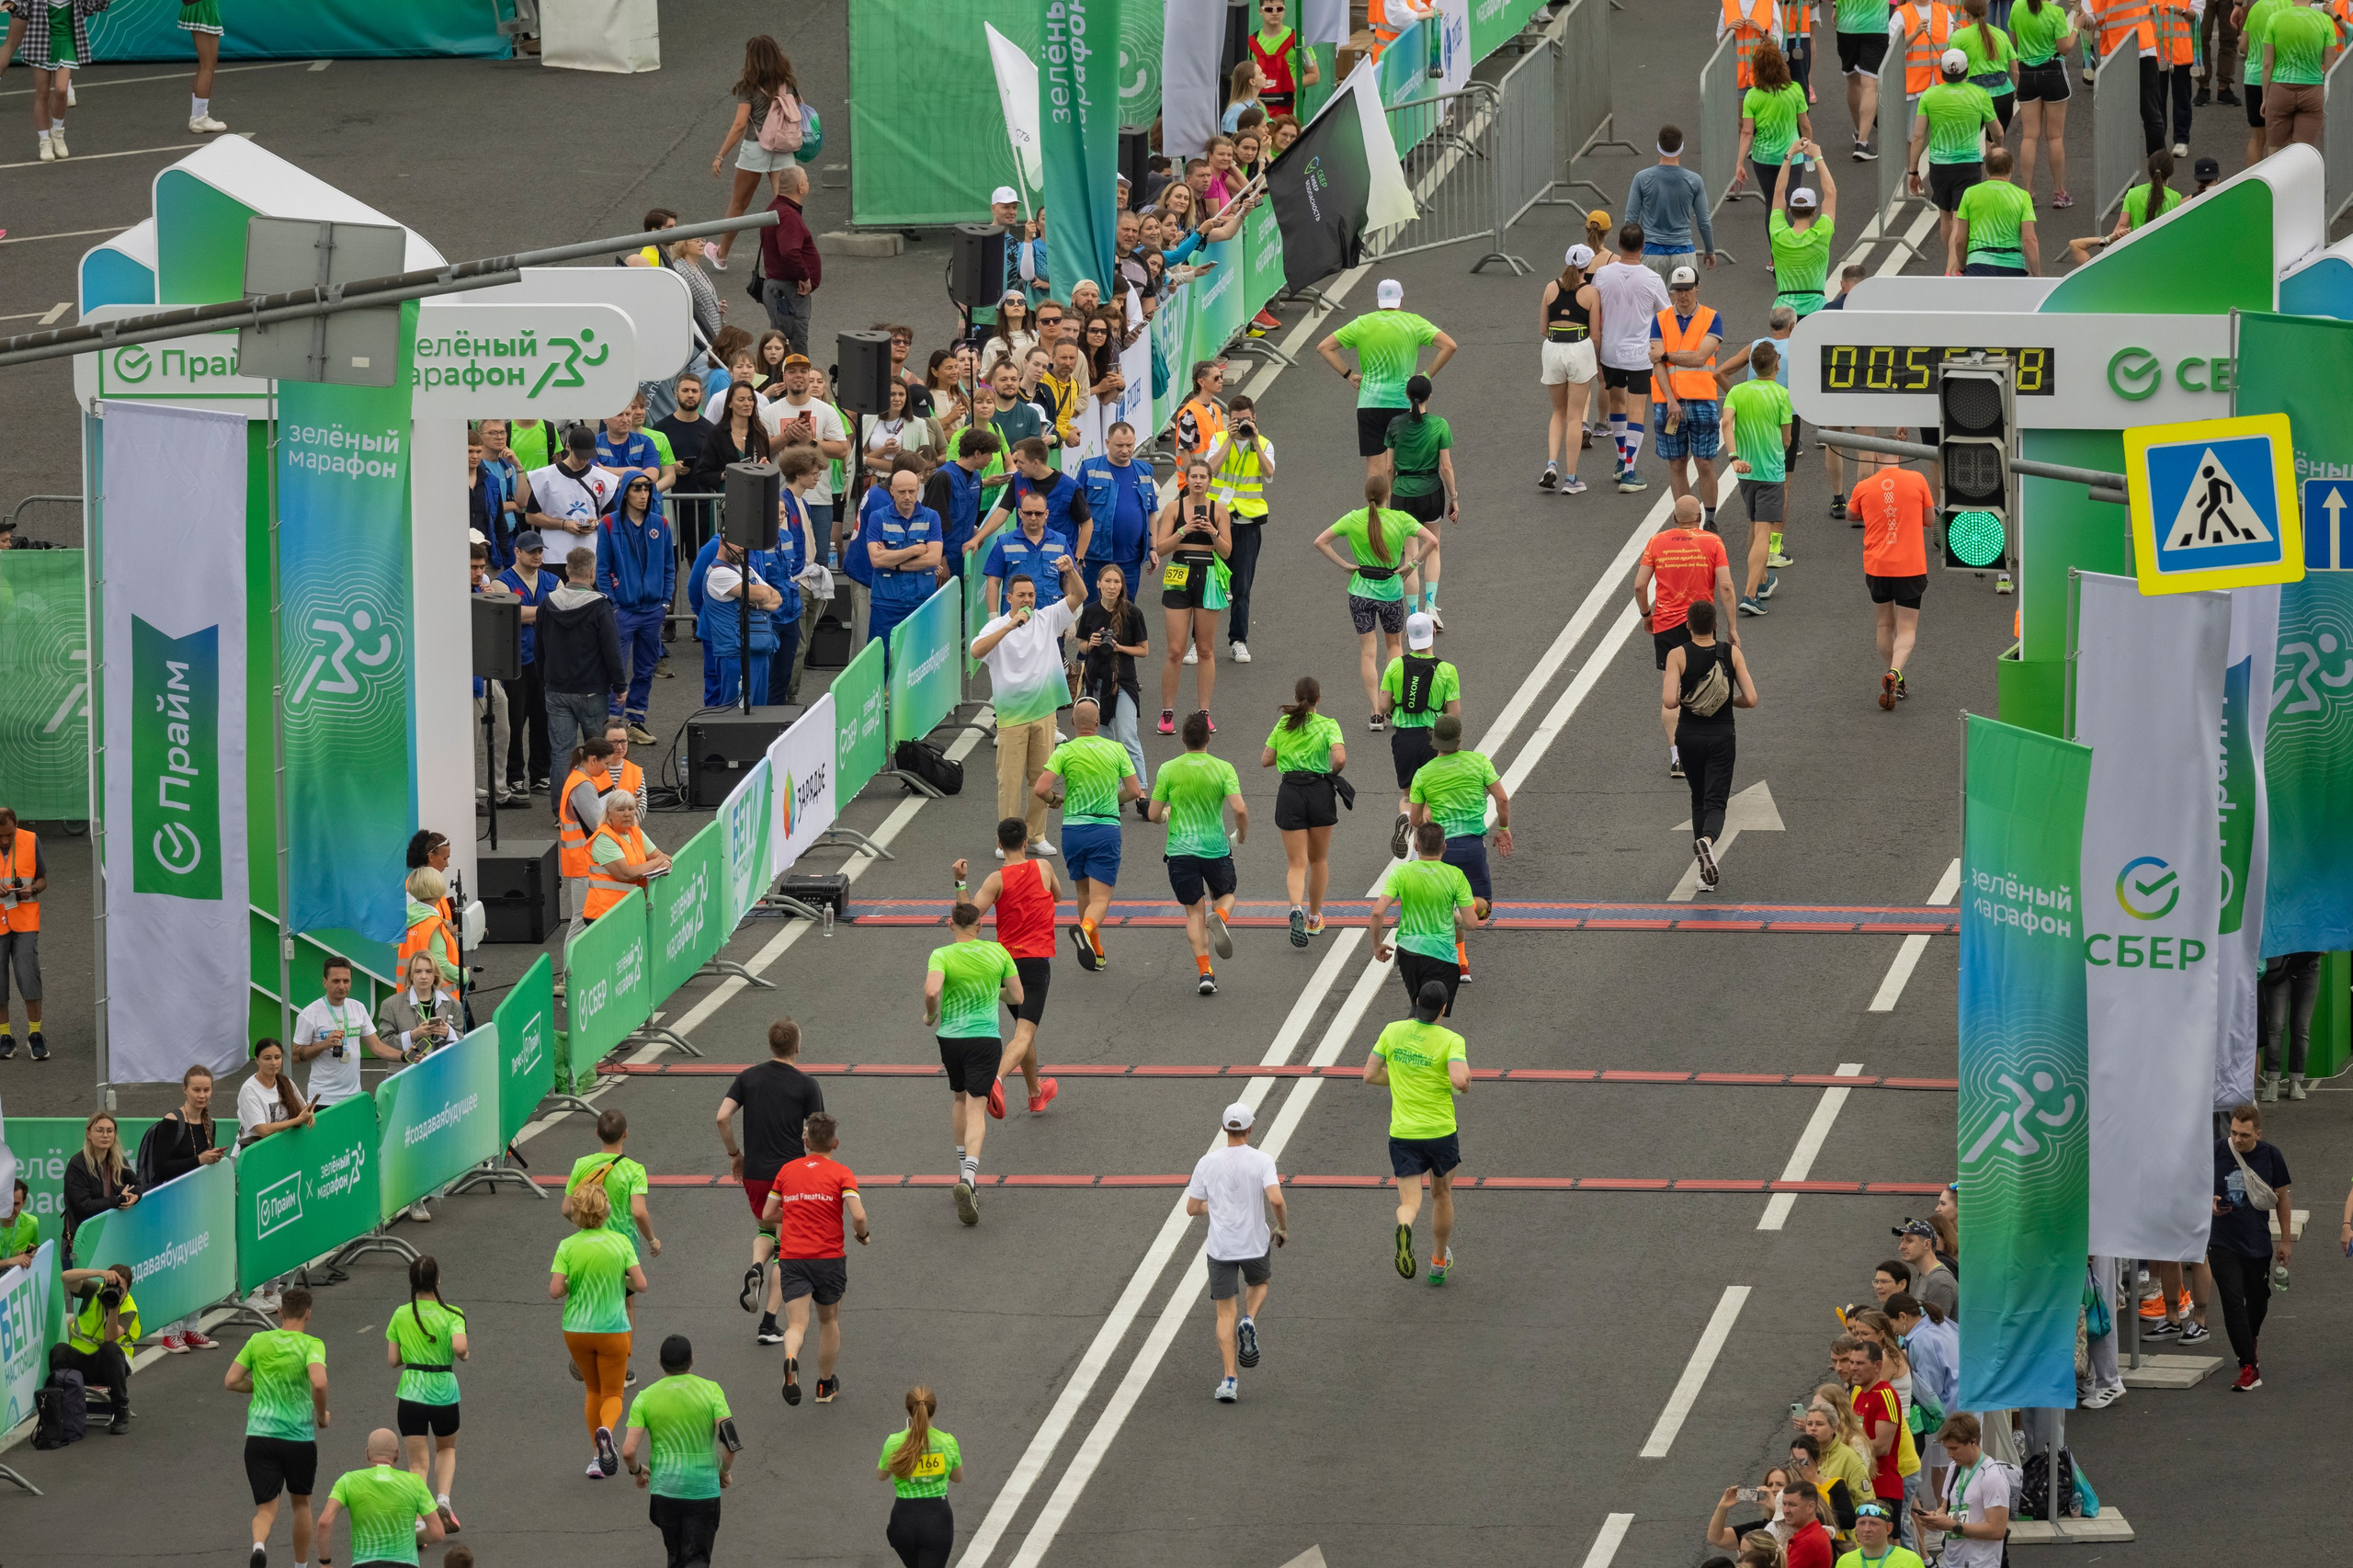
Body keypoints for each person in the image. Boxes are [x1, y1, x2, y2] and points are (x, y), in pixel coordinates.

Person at [716, 1018, 826, 1345]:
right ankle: (768, 1324)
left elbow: (722, 1117)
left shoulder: (748, 1077)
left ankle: (755, 1268)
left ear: (771, 1044)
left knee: (765, 1229)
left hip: (754, 1172)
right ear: (797, 1046)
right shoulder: (807, 1085)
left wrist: (735, 1154)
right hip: (790, 1175)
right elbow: (816, 1134)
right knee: (786, 1248)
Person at [972, 553, 1085, 857]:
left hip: (1044, 714)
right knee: (1009, 782)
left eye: (1031, 595)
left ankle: (1035, 835)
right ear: (1008, 598)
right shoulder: (996, 626)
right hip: (1011, 717)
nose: (1027, 600)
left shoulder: (1048, 618)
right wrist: (1009, 627)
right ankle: (1008, 840)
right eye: (1021, 595)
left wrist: (1071, 571)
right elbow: (976, 651)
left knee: (1041, 779)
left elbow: (1079, 596)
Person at [922, 896, 1024, 1226]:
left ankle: (961, 1169)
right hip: (985, 1039)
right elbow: (1018, 996)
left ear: (951, 925)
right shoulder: (998, 952)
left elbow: (932, 992)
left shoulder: (941, 954)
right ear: (980, 927)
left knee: (959, 1098)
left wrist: (930, 1015)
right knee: (977, 1107)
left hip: (950, 1038)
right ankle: (969, 1176)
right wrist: (993, 992)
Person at [961, 820, 1069, 1119]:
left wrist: (960, 883)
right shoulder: (1044, 868)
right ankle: (994, 1079)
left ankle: (1036, 1093)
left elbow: (967, 918)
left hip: (1004, 968)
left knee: (1024, 1030)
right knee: (1023, 1034)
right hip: (1034, 966)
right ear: (1025, 842)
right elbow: (1058, 896)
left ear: (999, 843)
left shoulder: (995, 880)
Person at [1366, 979, 1471, 1284]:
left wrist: (1401, 1078)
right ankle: (1438, 1261)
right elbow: (1460, 1080)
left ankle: (1405, 1224)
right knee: (1441, 1194)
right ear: (1443, 1009)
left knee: (1410, 1202)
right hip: (1440, 1132)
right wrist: (1465, 1083)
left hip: (1404, 1134)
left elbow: (1369, 1074)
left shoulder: (1392, 1031)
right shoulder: (1451, 1040)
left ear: (1416, 1001)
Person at [760, 1112, 869, 1407]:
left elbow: (767, 1213)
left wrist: (796, 1213)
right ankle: (824, 1385)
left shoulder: (787, 1171)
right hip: (828, 1259)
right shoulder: (842, 1173)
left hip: (793, 1258)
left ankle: (791, 1357)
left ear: (805, 1141)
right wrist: (863, 1234)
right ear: (835, 1143)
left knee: (796, 1324)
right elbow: (858, 1216)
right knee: (828, 1320)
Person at [1182, 1100, 1286, 1404]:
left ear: (1224, 1128)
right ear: (1251, 1128)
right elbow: (1276, 1200)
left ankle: (1229, 1379)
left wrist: (1213, 1206)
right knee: (1259, 1283)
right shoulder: (1262, 1160)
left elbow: (1192, 1208)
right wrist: (1282, 1228)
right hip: (1254, 1243)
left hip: (1221, 1247)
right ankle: (1250, 1319)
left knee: (1224, 1313)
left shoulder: (1207, 1163)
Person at [1634, 495, 1740, 778]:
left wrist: (1646, 615)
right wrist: (1732, 627)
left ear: (1674, 518)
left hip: (1666, 625)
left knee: (1673, 689)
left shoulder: (1657, 542)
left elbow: (1640, 585)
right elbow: (1726, 586)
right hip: (1702, 624)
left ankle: (1677, 756)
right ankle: (1704, 749)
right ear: (1700, 518)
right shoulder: (1713, 542)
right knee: (1705, 686)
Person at [1316, 477, 1432, 733]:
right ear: (1388, 494)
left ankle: (1375, 713)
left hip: (1360, 592)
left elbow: (1320, 541)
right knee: (1394, 647)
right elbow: (1432, 541)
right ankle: (1391, 703)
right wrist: (1412, 564)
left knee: (1368, 653)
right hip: (1391, 591)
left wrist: (1345, 565)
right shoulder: (1400, 519)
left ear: (1365, 495)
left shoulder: (1353, 518)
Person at [229, 1282, 330, 1567]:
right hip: (298, 1438)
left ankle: (259, 1546)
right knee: (301, 1504)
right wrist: (322, 1416)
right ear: (308, 1314)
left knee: (265, 1510)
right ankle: (300, 1566)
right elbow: (319, 1383)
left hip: (260, 1438)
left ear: (280, 1312)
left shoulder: (258, 1341)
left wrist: (259, 1385)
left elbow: (231, 1381)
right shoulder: (312, 1344)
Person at [1036, 702, 1143, 971]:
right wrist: (1113, 799)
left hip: (1073, 830)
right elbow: (1134, 791)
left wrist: (1054, 799)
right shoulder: (1115, 749)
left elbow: (1040, 788)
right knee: (1101, 899)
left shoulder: (1065, 750)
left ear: (1072, 722)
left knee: (1083, 892)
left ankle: (1096, 952)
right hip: (1105, 830)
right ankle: (1085, 930)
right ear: (1097, 723)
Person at [1663, 599, 1760, 892]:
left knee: (1698, 798)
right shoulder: (1731, 653)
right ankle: (1707, 841)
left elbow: (1669, 701)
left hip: (1688, 736)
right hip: (1722, 736)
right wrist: (1724, 700)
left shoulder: (1677, 655)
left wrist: (1691, 699)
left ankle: (1704, 873)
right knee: (1716, 801)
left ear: (1688, 625)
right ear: (1715, 625)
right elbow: (1751, 699)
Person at [551, 1182, 647, 1477]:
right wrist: (621, 1279)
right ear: (606, 1211)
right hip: (613, 1329)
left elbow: (555, 1290)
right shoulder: (621, 1243)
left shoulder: (567, 1246)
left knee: (592, 1389)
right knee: (613, 1393)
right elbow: (641, 1284)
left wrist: (573, 1283)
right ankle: (606, 1431)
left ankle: (597, 1458)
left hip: (576, 1329)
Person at [1317, 279, 1456, 481]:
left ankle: (1377, 503)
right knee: (1403, 470)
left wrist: (1349, 374)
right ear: (1401, 298)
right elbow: (1450, 346)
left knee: (1375, 472)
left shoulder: (1362, 323)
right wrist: (1424, 376)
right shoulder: (1414, 322)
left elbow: (1324, 347)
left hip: (1369, 405)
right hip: (1403, 403)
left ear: (1378, 300)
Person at [1150, 711, 1247, 997]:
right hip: (1215, 848)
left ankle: (1205, 973)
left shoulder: (1168, 769)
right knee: (1227, 894)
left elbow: (1154, 814)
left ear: (1182, 738)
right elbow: (1239, 809)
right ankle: (1220, 916)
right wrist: (1241, 834)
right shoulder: (1223, 768)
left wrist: (1166, 814)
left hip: (1180, 851)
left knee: (1193, 912)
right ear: (1208, 739)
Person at [134, 1064, 228, 1351]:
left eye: (207, 1090)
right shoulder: (172, 1121)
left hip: (197, 1202)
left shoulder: (210, 1122)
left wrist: (210, 1159)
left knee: (196, 1266)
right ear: (184, 1089)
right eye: (196, 1089)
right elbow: (161, 1167)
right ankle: (170, 1332)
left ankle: (190, 1328)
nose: (202, 1095)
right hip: (171, 1205)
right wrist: (200, 1160)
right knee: (175, 1269)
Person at [1407, 714, 1511, 972]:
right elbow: (1502, 799)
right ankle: (1461, 959)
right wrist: (1503, 829)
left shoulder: (1423, 774)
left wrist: (1427, 814)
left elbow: (1416, 820)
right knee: (1481, 909)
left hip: (1441, 849)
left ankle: (1458, 960)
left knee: (1445, 903)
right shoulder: (1479, 762)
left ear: (1434, 739)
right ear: (1460, 738)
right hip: (1473, 848)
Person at [622, 1334, 736, 1568]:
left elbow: (628, 1451)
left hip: (665, 1489)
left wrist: (638, 1471)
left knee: (675, 1556)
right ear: (692, 1359)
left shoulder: (645, 1398)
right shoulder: (711, 1391)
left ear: (660, 1361)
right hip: (703, 1490)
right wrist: (723, 1471)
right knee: (697, 1559)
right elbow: (731, 1441)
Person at [2211, 1100, 2291, 1390]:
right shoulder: (2217, 1151)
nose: (2237, 1139)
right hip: (2221, 1241)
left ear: (2258, 1133)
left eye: (2244, 1135)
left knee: (2258, 1302)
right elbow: (2194, 1185)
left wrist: (2284, 1240)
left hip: (2257, 1242)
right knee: (2233, 1302)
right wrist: (2208, 1203)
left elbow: (2282, 1198)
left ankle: (2250, 1339)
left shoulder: (2271, 1156)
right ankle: (2248, 1367)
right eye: (2234, 1133)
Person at [384, 1255, 467, 1535]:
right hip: (444, 1392)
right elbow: (460, 1347)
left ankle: (418, 1518)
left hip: (411, 1393)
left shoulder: (400, 1314)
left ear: (411, 1281)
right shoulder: (452, 1313)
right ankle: (443, 1500)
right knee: (446, 1449)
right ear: (437, 1280)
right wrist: (464, 1354)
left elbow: (393, 1360)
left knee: (417, 1463)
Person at [1263, 676, 1347, 947]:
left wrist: (1289, 753)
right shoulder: (1328, 724)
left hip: (1291, 792)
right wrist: (1332, 772)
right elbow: (1340, 758)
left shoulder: (1283, 724)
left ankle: (1296, 908)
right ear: (1318, 699)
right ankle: (1313, 918)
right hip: (1320, 790)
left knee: (1296, 863)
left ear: (1296, 697)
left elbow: (1266, 759)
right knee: (1318, 859)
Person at [1151, 456, 1234, 731]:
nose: (1198, 481)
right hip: (1179, 573)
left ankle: (1204, 712)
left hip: (1207, 576)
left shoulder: (1219, 510)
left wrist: (1212, 532)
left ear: (1209, 481)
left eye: (1203, 477)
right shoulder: (1173, 508)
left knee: (1205, 649)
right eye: (1194, 476)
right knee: (1175, 650)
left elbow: (1227, 552)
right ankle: (1167, 713)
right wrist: (1183, 531)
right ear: (1187, 480)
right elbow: (1161, 548)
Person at [1849, 446, 1934, 709]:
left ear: (1876, 458)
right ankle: (1895, 673)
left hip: (1877, 567)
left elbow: (1851, 515)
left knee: (1884, 625)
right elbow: (1930, 520)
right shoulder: (1917, 479)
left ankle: (1895, 678)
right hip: (1910, 566)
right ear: (1899, 456)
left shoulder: (1863, 486)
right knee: (1907, 629)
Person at [595, 472, 676, 746]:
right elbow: (602, 569)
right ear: (625, 492)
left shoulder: (660, 523)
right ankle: (612, 724)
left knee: (646, 667)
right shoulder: (609, 524)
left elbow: (669, 566)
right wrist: (614, 605)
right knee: (616, 668)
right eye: (637, 488)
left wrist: (664, 602)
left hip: (653, 610)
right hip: (624, 611)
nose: (643, 494)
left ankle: (636, 721)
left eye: (647, 489)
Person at [711, 36, 802, 271]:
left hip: (756, 147)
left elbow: (740, 124)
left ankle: (721, 255)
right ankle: (792, 256)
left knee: (738, 205)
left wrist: (720, 155)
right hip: (784, 147)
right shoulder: (788, 83)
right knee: (787, 206)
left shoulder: (748, 87)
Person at [1722, 340, 1798, 622]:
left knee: (1754, 525)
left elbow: (1726, 423)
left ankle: (1763, 580)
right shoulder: (1782, 395)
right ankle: (1750, 595)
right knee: (1764, 532)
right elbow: (1787, 439)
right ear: (1776, 365)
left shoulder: (1737, 391)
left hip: (1745, 472)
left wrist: (1734, 457)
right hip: (1771, 473)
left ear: (1753, 366)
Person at [1372, 820, 1478, 1018]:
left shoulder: (1401, 872)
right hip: (1442, 956)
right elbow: (1471, 923)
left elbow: (1377, 912)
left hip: (1408, 953)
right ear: (1444, 847)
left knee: (1418, 1006)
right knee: (1432, 1016)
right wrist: (1456, 918)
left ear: (1416, 846)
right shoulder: (1455, 876)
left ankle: (1408, 1032)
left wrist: (1377, 945)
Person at [1594, 226, 1674, 489]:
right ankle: (1629, 471)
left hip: (1610, 350)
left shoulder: (1602, 274)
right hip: (1639, 354)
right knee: (1637, 409)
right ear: (1643, 247)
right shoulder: (1652, 278)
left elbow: (1596, 308)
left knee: (1617, 403)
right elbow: (1667, 314)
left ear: (1619, 244)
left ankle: (1621, 460)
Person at [540, 548, 628, 784]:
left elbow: (540, 647)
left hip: (556, 688)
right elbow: (612, 649)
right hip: (591, 689)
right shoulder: (600, 605)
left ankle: (562, 806)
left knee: (561, 753)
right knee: (599, 751)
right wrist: (620, 685)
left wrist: (544, 679)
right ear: (592, 572)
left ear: (567, 570)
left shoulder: (548, 603)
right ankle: (599, 802)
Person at [1650, 266, 1728, 526]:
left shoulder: (1711, 317)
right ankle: (1685, 522)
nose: (1682, 295)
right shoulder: (1660, 319)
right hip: (1668, 403)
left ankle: (1710, 519)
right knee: (1677, 464)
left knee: (1704, 463)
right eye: (1678, 290)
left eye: (1687, 289)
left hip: (1702, 399)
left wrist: (1665, 355)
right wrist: (1670, 400)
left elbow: (1699, 358)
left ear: (1697, 288)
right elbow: (1657, 364)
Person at [1908, 48, 2001, 260]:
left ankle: (1952, 262)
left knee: (1945, 217)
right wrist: (1997, 147)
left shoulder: (1929, 95)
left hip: (1939, 165)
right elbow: (1998, 131)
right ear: (1966, 70)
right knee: (1963, 217)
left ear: (1942, 72)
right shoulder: (1980, 94)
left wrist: (1913, 171)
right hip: (1968, 165)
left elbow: (1918, 136)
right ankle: (1957, 264)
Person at [1206, 394, 1277, 658]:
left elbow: (1269, 473)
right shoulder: (1218, 439)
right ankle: (1199, 641)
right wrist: (1230, 439)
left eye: (1246, 419)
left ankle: (1238, 640)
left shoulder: (1265, 444)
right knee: (1207, 583)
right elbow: (1210, 469)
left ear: (1254, 418)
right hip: (1216, 522)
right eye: (1236, 420)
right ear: (1229, 420)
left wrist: (1254, 441)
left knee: (1242, 587)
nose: (1242, 424)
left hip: (1247, 524)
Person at [1383, 376, 1457, 623]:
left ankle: (1414, 615)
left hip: (1402, 495)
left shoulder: (1395, 425)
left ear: (1407, 395)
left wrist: (1388, 499)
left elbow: (1388, 468)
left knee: (1410, 555)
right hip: (1431, 491)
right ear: (1430, 396)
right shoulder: (1440, 425)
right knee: (1433, 547)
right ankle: (1431, 607)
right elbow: (1446, 467)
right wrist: (1454, 498)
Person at [494, 531, 560, 797]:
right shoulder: (501, 583)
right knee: (513, 722)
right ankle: (514, 777)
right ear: (517, 552)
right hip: (516, 663)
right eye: (532, 551)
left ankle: (541, 774)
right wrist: (547, 610)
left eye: (540, 551)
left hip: (546, 661)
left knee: (543, 720)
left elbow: (560, 612)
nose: (537, 555)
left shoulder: (553, 580)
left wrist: (529, 613)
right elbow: (513, 615)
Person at [316, 1428, 445, 1562]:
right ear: (397, 1454)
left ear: (367, 1453)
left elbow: (324, 1522)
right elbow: (437, 1533)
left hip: (364, 1564)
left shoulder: (348, 1480)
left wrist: (325, 1562)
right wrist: (411, 1537)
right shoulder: (415, 1482)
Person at [1074, 565, 1151, 789]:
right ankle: (1113, 788)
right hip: (1096, 682)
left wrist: (1120, 648)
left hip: (1124, 682)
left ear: (1122, 586)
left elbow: (1144, 650)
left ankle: (1139, 788)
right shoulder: (1090, 611)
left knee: (1128, 736)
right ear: (1098, 584)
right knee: (1104, 739)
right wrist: (1091, 643)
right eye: (1107, 581)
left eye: (1117, 582)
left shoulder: (1133, 613)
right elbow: (1081, 646)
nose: (1112, 586)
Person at [1539, 245, 1603, 494]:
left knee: (1558, 411)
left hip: (1553, 349)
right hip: (1579, 348)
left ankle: (1551, 464)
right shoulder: (1590, 292)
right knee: (1575, 416)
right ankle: (1571, 478)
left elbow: (1543, 328)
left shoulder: (1550, 287)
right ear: (1588, 266)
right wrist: (1596, 360)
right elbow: (1595, 334)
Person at [1622, 125, 1720, 286]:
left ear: (1658, 146)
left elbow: (1630, 220)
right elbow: (1704, 221)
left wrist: (1629, 253)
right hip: (1683, 252)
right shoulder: (1694, 180)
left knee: (1649, 301)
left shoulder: (1641, 178)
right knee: (1684, 301)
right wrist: (1709, 250)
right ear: (1681, 147)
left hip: (1651, 251)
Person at [878, 1385, 963, 1566]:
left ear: (909, 1410)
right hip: (937, 1522)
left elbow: (881, 1475)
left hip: (903, 1521)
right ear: (933, 1410)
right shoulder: (948, 1441)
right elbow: (957, 1477)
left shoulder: (894, 1442)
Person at [1077, 421, 1159, 608]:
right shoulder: (1090, 469)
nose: (1125, 450)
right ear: (1107, 443)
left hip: (1131, 560)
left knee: (1126, 611)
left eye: (1129, 445)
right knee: (1095, 611)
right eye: (1119, 445)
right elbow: (1076, 513)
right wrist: (1078, 555)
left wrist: (1153, 548)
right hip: (1096, 558)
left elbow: (1151, 513)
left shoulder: (1145, 470)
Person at [1915, 1414, 2012, 1568]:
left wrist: (1953, 1525)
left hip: (1980, 1563)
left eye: (1954, 1448)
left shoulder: (1992, 1477)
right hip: (1951, 1560)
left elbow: (1997, 1531)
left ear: (1973, 1441)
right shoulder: (1954, 1468)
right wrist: (1935, 1518)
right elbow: (1946, 1507)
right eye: (1947, 1449)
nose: (1950, 1455)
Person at [527, 426, 621, 580]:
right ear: (568, 447)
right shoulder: (544, 477)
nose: (583, 461)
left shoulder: (603, 478)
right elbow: (531, 516)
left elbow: (611, 515)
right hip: (555, 556)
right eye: (580, 456)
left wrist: (596, 523)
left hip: (590, 554)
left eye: (588, 456)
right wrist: (564, 525)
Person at [51, 1264, 136, 1433]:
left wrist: (114, 1306)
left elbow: (110, 1337)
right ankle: (58, 1410)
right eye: (111, 1285)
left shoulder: (129, 1308)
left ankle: (120, 1411)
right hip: (82, 1360)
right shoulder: (94, 1291)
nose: (115, 1290)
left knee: (109, 1348)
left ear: (127, 1291)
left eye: (121, 1289)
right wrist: (99, 1273)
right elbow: (65, 1277)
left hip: (111, 1366)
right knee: (59, 1350)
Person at [2010, 0, 2076, 202]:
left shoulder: (2016, 7)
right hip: (2052, 72)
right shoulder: (2055, 13)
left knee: (2029, 136)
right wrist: (2076, 27)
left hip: (2026, 73)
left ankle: (2027, 192)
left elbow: (2014, 41)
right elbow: (2064, 48)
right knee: (2055, 136)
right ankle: (2059, 192)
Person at [1735, 42, 1816, 200]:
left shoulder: (1752, 95)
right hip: (1792, 156)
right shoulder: (1795, 90)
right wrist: (1809, 150)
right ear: (1781, 64)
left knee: (1771, 203)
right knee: (1790, 202)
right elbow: (1805, 125)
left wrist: (1740, 164)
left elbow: (1746, 132)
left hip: (1763, 158)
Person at [1769, 148, 1840, 324]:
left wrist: (1789, 155)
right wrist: (1817, 156)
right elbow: (1831, 192)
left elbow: (1778, 191)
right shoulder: (1822, 233)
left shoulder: (1778, 233)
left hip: (1783, 313)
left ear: (1790, 210)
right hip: (1816, 311)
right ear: (1814, 211)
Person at [2258, 0, 2337, 152]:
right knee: (2303, 152)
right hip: (2312, 90)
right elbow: (2329, 67)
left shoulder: (2275, 18)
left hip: (2280, 88)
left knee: (2275, 149)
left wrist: (2265, 98)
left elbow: (2267, 64)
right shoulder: (2325, 21)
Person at [62, 1110, 137, 1267]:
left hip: (113, 1238)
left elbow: (137, 1183)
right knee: (87, 1284)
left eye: (110, 1131)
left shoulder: (118, 1160)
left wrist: (135, 1196)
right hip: (84, 1240)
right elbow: (84, 1206)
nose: (105, 1135)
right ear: (88, 1134)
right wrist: (118, 1200)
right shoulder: (77, 1164)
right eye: (99, 1130)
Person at [760, 165, 822, 353]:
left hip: (779, 289)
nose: (808, 184)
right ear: (800, 187)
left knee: (784, 346)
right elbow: (789, 252)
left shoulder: (775, 209)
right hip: (788, 292)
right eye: (807, 181)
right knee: (794, 349)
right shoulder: (788, 216)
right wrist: (803, 276)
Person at [1949, 147, 2040, 275]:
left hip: (1978, 264)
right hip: (2012, 265)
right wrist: (2038, 276)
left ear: (1986, 169)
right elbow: (2029, 240)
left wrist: (1962, 267)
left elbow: (1960, 240)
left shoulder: (1970, 194)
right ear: (2011, 168)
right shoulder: (2023, 196)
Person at [0, 805, 44, 1060]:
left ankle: (35, 1034)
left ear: (16, 825)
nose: (6, 840)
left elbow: (42, 880)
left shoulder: (30, 839)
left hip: (25, 922)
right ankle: (5, 1036)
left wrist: (33, 889)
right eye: (0, 836)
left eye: (10, 834)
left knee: (29, 976)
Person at [2259, 949, 2322, 1100]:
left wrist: (2322, 945)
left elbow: (2324, 945)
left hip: (2308, 966)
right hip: (2277, 963)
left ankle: (2296, 1081)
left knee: (2301, 1027)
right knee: (2275, 1026)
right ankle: (2272, 1080)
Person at [1836, 0, 1894, 156]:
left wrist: (1835, 6)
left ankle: (1859, 132)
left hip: (1846, 25)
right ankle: (1862, 143)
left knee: (1853, 82)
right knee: (1870, 85)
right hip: (1876, 26)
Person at [396, 867, 461, 1002]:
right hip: (436, 1000)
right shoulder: (432, 924)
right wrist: (464, 974)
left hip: (408, 994)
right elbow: (442, 965)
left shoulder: (407, 919)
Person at [1250, 0, 1319, 112]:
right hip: (1259, 112)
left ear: (1284, 10)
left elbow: (1314, 75)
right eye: (1269, 9)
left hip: (1290, 111)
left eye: (1279, 8)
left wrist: (1289, 84)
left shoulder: (1299, 41)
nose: (1275, 13)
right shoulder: (1251, 43)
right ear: (1260, 11)